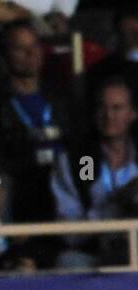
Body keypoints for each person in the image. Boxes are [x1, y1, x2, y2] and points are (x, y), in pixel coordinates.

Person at [0, 18, 72, 223]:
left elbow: (79, 146)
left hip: (62, 183)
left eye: (34, 46)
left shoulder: (62, 98)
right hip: (20, 187)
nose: (30, 54)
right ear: (5, 55)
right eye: (20, 48)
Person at [51, 77, 138, 268]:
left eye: (117, 108)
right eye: (102, 108)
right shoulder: (83, 161)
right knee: (68, 262)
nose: (109, 116)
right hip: (94, 255)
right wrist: (115, 203)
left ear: (132, 113)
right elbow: (71, 234)